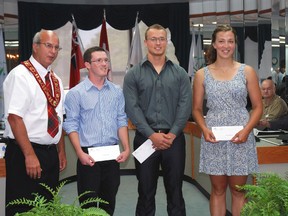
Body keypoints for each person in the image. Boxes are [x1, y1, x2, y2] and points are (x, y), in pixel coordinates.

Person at [192, 25, 263, 216]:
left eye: (230, 41)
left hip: (241, 135)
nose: (226, 45)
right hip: (213, 136)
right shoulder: (201, 74)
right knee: (217, 189)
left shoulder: (247, 71)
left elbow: (258, 107)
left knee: (239, 191)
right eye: (221, 41)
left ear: (235, 44)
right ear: (214, 44)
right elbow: (197, 109)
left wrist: (247, 130)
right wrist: (204, 129)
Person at [123, 24, 192, 216]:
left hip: (174, 140)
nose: (158, 43)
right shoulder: (133, 74)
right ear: (146, 42)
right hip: (145, 139)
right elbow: (132, 108)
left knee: (176, 191)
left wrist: (172, 133)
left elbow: (185, 106)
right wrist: (152, 135)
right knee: (145, 192)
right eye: (153, 39)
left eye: (161, 39)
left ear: (167, 42)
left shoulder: (180, 73)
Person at [3, 30, 67, 216]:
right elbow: (15, 118)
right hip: (25, 152)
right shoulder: (20, 75)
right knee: (24, 208)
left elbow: (58, 116)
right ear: (35, 46)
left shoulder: (55, 80)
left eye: (56, 47)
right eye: (48, 45)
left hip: (50, 154)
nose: (53, 51)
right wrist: (29, 155)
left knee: (48, 207)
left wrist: (61, 149)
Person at [63, 46, 130, 215]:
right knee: (89, 206)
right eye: (99, 60)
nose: (104, 63)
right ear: (87, 65)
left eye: (106, 60)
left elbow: (121, 120)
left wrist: (126, 148)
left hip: (112, 155)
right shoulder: (75, 93)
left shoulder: (116, 92)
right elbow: (71, 125)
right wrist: (79, 153)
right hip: (88, 156)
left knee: (108, 204)